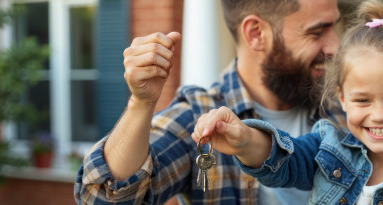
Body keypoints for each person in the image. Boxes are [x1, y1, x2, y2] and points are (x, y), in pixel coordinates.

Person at [189, 1, 383, 204]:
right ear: (341, 97)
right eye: (363, 100)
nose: (379, 115)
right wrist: (243, 140)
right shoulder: (328, 149)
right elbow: (281, 160)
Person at [73, 0, 341, 204]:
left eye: (334, 27)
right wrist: (140, 103)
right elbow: (101, 196)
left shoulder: (349, 107)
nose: (335, 46)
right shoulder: (199, 118)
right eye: (317, 32)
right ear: (256, 33)